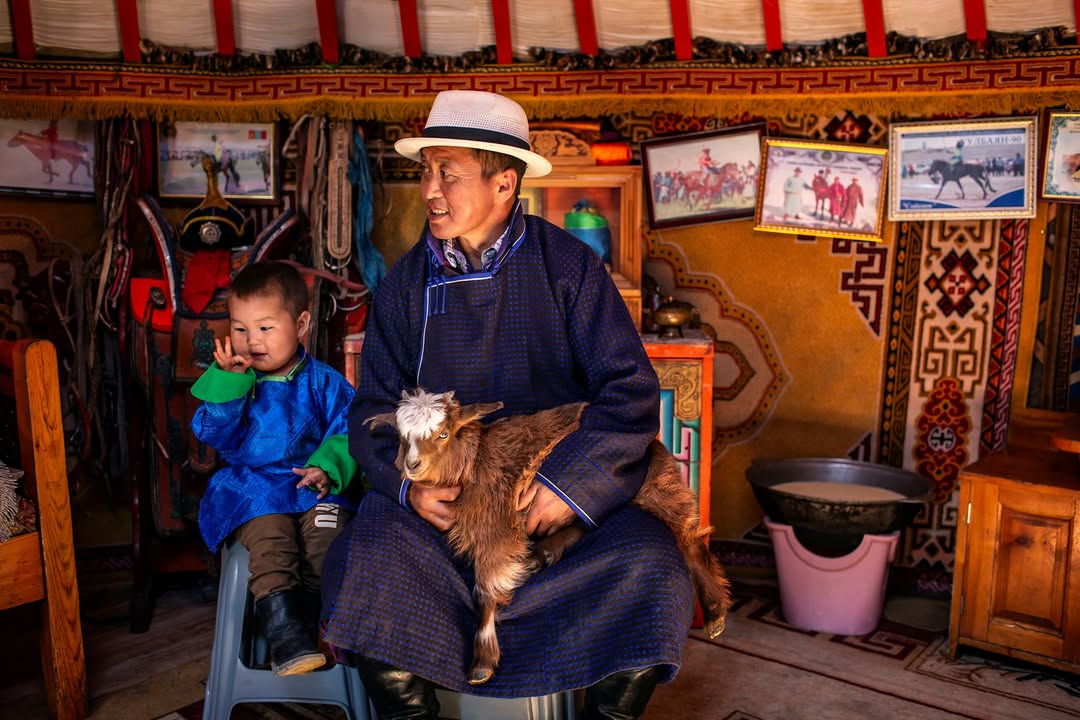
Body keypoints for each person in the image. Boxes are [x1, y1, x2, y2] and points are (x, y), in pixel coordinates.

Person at [321, 89, 695, 720]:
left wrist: (568, 487)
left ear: (503, 183)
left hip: (559, 519)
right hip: (445, 524)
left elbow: (628, 392)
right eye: (426, 171)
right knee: (367, 559)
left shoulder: (570, 268)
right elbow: (372, 413)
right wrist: (406, 489)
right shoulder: (404, 289)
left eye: (449, 172)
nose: (430, 189)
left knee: (652, 566)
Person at [191, 260, 359, 677]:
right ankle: (285, 638)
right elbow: (213, 433)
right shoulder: (235, 382)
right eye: (240, 328)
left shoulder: (324, 382)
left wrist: (327, 466)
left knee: (328, 539)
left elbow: (351, 428)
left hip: (314, 484)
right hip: (253, 490)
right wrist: (228, 389)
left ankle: (327, 628)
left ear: (300, 324)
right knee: (272, 542)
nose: (251, 341)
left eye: (265, 328)